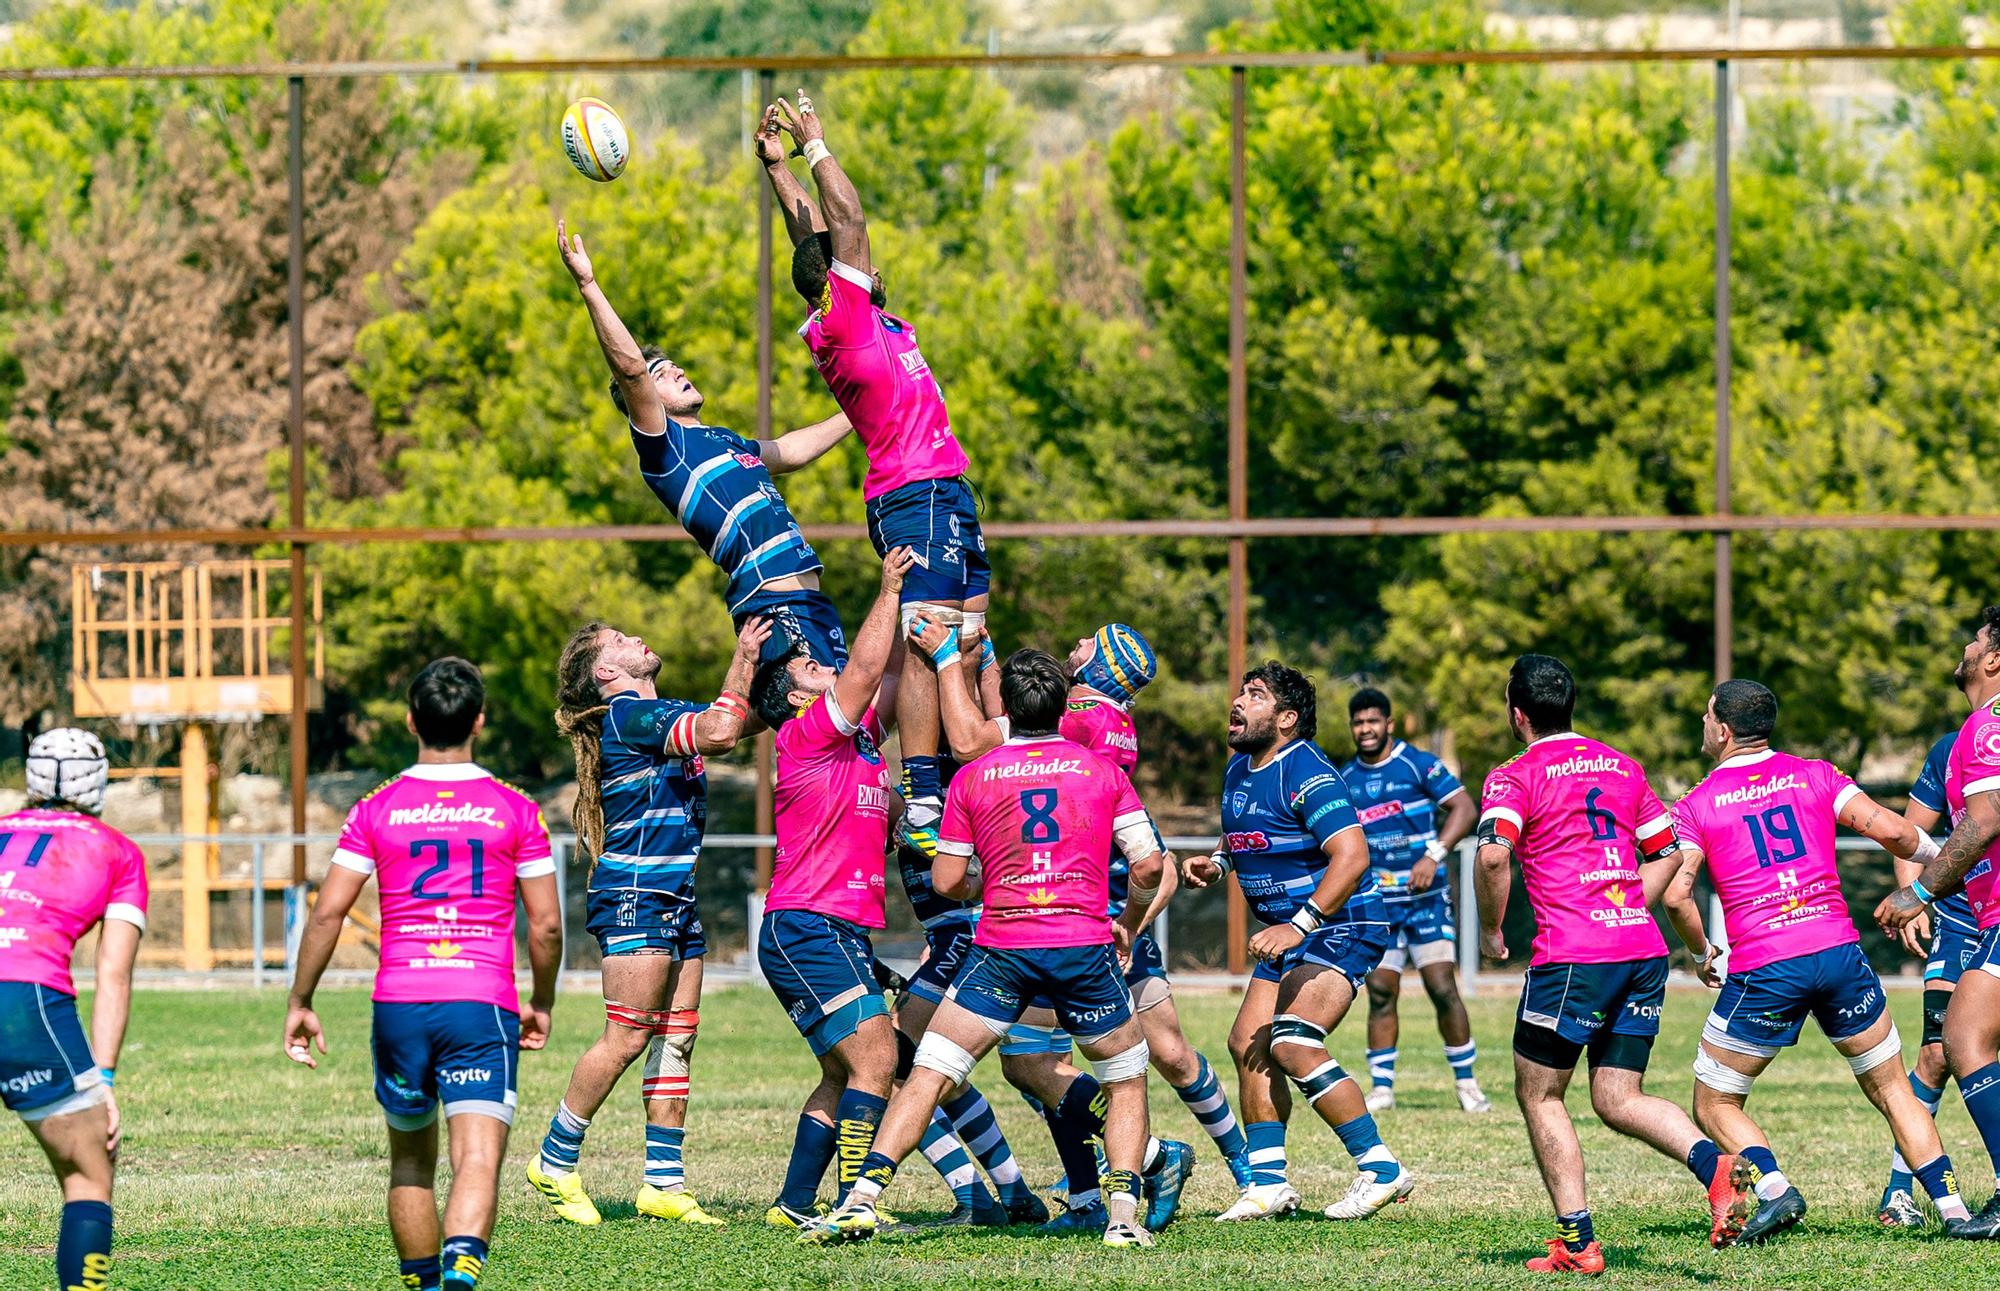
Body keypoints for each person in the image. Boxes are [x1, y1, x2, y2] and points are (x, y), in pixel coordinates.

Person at [797, 649, 1169, 1249]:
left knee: (928, 1074)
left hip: (1002, 947)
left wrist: (984, 881)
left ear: (1008, 717)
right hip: (1081, 945)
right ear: (1062, 708)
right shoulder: (1103, 772)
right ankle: (1123, 1217)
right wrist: (1125, 920)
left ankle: (860, 1199)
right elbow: (1149, 866)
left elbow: (947, 883)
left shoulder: (972, 777)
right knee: (1124, 1080)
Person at [1659, 679, 1977, 1243]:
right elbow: (1899, 833)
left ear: (1724, 730)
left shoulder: (1696, 805)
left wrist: (1703, 952)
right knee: (1892, 1090)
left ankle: (1777, 1192)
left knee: (1714, 1102)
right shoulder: (1816, 775)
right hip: (1838, 955)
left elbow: (1677, 896)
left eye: (1707, 716)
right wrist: (1956, 864)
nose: (1704, 725)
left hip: (1766, 966)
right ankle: (1953, 1211)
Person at [284, 659, 563, 1291]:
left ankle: (423, 1286)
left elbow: (327, 912)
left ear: (412, 721)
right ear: (480, 722)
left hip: (399, 1005)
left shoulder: (374, 807)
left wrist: (301, 998)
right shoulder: (515, 809)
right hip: (480, 1003)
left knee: (410, 1164)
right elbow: (545, 927)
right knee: (477, 1158)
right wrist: (541, 999)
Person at [759, 90, 989, 858]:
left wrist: (777, 168)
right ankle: (924, 793)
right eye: (858, 265)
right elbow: (844, 224)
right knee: (927, 641)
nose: (870, 262)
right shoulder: (846, 320)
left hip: (946, 490)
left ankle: (979, 771)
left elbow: (815, 235)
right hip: (914, 494)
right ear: (838, 281)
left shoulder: (858, 314)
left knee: (972, 637)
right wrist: (818, 144)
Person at [1474, 653, 1750, 1272]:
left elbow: (1494, 856)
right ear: (1570, 706)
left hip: (1573, 956)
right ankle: (1716, 1166)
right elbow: (1671, 854)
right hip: (1641, 950)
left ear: (1518, 714)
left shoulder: (1515, 774)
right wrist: (1623, 903)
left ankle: (1578, 1244)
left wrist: (1491, 928)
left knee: (1541, 1095)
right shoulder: (1622, 764)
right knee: (1618, 1096)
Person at [751, 547, 999, 1229]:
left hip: (835, 929)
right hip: (805, 923)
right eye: (811, 668)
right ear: (798, 698)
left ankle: (793, 1204)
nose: (825, 668)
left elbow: (891, 672)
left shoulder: (858, 752)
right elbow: (865, 668)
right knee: (879, 1055)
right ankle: (852, 1201)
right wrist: (889, 588)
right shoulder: (803, 736)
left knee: (845, 1070)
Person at [525, 618, 766, 1226]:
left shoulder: (657, 713)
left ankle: (663, 1184)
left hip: (673, 895)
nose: (637, 640)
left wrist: (798, 692)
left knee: (677, 1036)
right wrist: (743, 654)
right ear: (607, 671)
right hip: (636, 893)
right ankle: (555, 1159)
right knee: (629, 1035)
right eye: (622, 641)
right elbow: (718, 730)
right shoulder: (627, 714)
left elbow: (734, 722)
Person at [556, 215, 853, 667]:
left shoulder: (722, 439)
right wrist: (589, 285)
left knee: (841, 716)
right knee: (831, 712)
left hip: (809, 602)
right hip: (776, 606)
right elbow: (631, 370)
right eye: (662, 373)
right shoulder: (665, 450)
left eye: (674, 364)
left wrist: (860, 410)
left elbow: (789, 451)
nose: (676, 370)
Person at [1180, 662, 1413, 1224]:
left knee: (1291, 1040)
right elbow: (1246, 833)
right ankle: (1267, 1185)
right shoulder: (1241, 767)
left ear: (1286, 719)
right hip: (1292, 933)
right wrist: (1217, 863)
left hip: (1342, 924)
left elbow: (1352, 858)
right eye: (1240, 691)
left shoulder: (1308, 770)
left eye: (1255, 696)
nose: (1238, 701)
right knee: (1246, 1044)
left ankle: (1381, 1169)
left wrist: (1300, 924)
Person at [0, 729, 145, 1291]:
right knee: (88, 1175)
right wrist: (103, 1077)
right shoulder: (118, 850)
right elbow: (113, 972)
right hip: (25, 1000)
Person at [1878, 604, 2000, 1238]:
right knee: (1950, 1045)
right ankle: (1904, 1191)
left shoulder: (1987, 729)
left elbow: (1982, 822)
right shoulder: (1956, 744)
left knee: (1961, 1042)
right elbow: (1911, 834)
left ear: (1994, 659)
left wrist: (1917, 896)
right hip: (1971, 918)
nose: (1966, 646)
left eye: (1975, 640)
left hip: (1987, 913)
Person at [1338, 687, 1485, 1114]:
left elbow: (1464, 807)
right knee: (1381, 992)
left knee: (1442, 987)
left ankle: (1467, 1084)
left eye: (1372, 721)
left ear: (1389, 724)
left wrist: (1433, 854)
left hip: (1427, 899)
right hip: (1378, 904)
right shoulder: (1345, 778)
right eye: (1358, 722)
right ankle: (1382, 1088)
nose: (1365, 729)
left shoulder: (1417, 764)